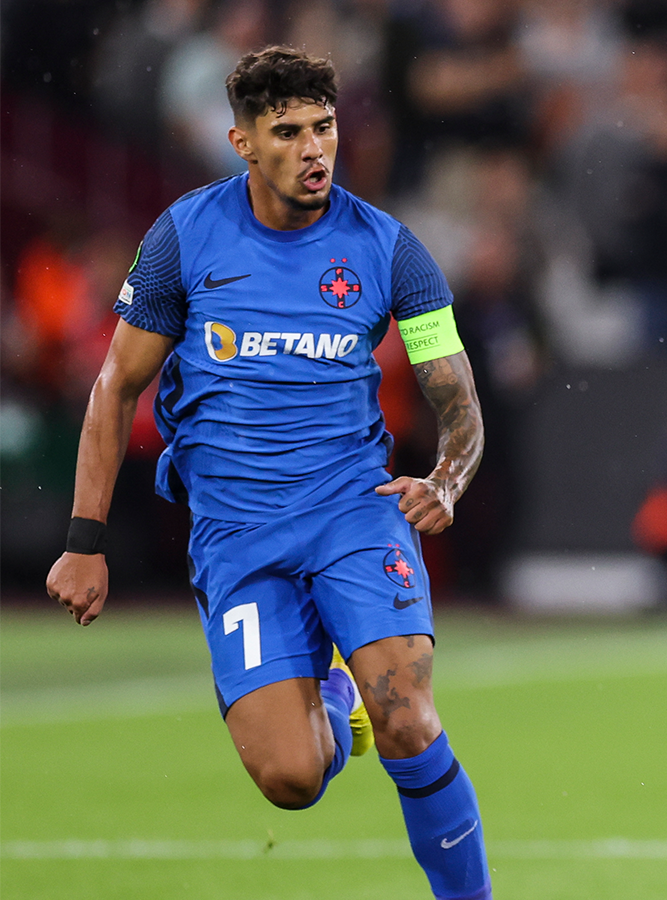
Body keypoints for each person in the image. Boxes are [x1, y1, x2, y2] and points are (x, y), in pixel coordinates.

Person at [44, 47, 492, 900]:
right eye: (286, 132)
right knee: (290, 779)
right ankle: (330, 698)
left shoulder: (391, 252)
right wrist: (84, 540)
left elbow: (459, 400)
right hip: (237, 534)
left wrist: (446, 479)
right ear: (242, 143)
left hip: (354, 515)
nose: (313, 148)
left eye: (323, 127)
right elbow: (115, 388)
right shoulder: (184, 238)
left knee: (405, 713)